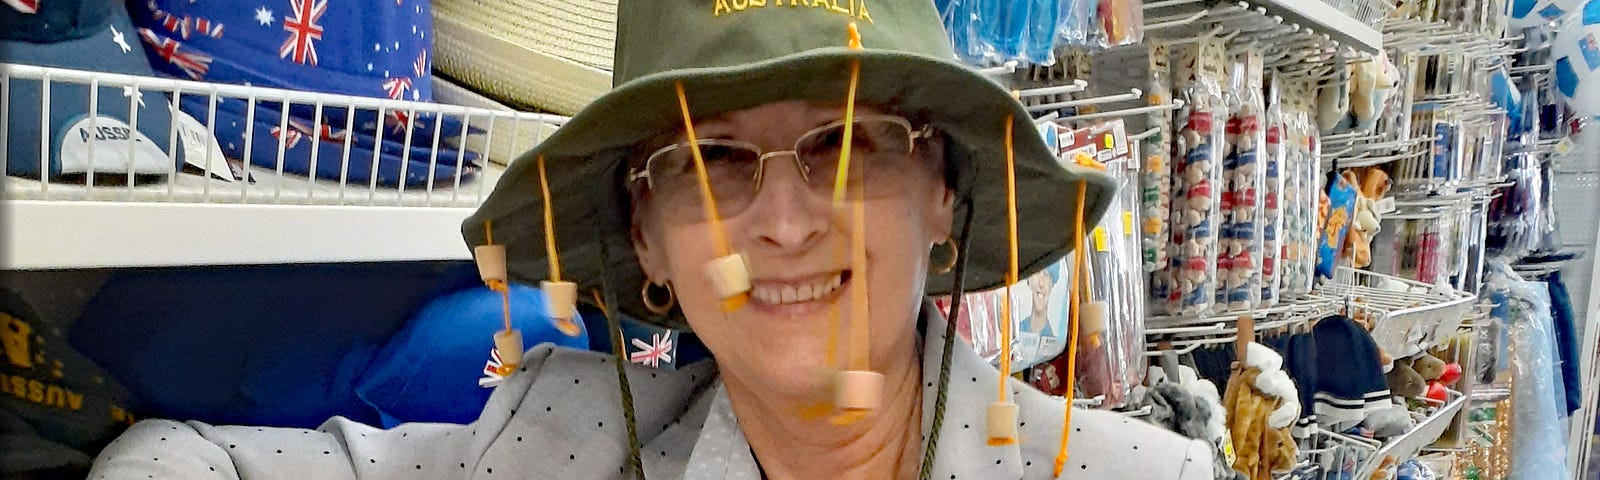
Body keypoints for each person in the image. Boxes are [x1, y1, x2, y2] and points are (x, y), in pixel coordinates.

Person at [88, 1, 1215, 479]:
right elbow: (190, 460)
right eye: (708, 161)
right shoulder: (549, 440)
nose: (780, 221)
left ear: (943, 195)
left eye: (849, 145)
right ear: (647, 240)